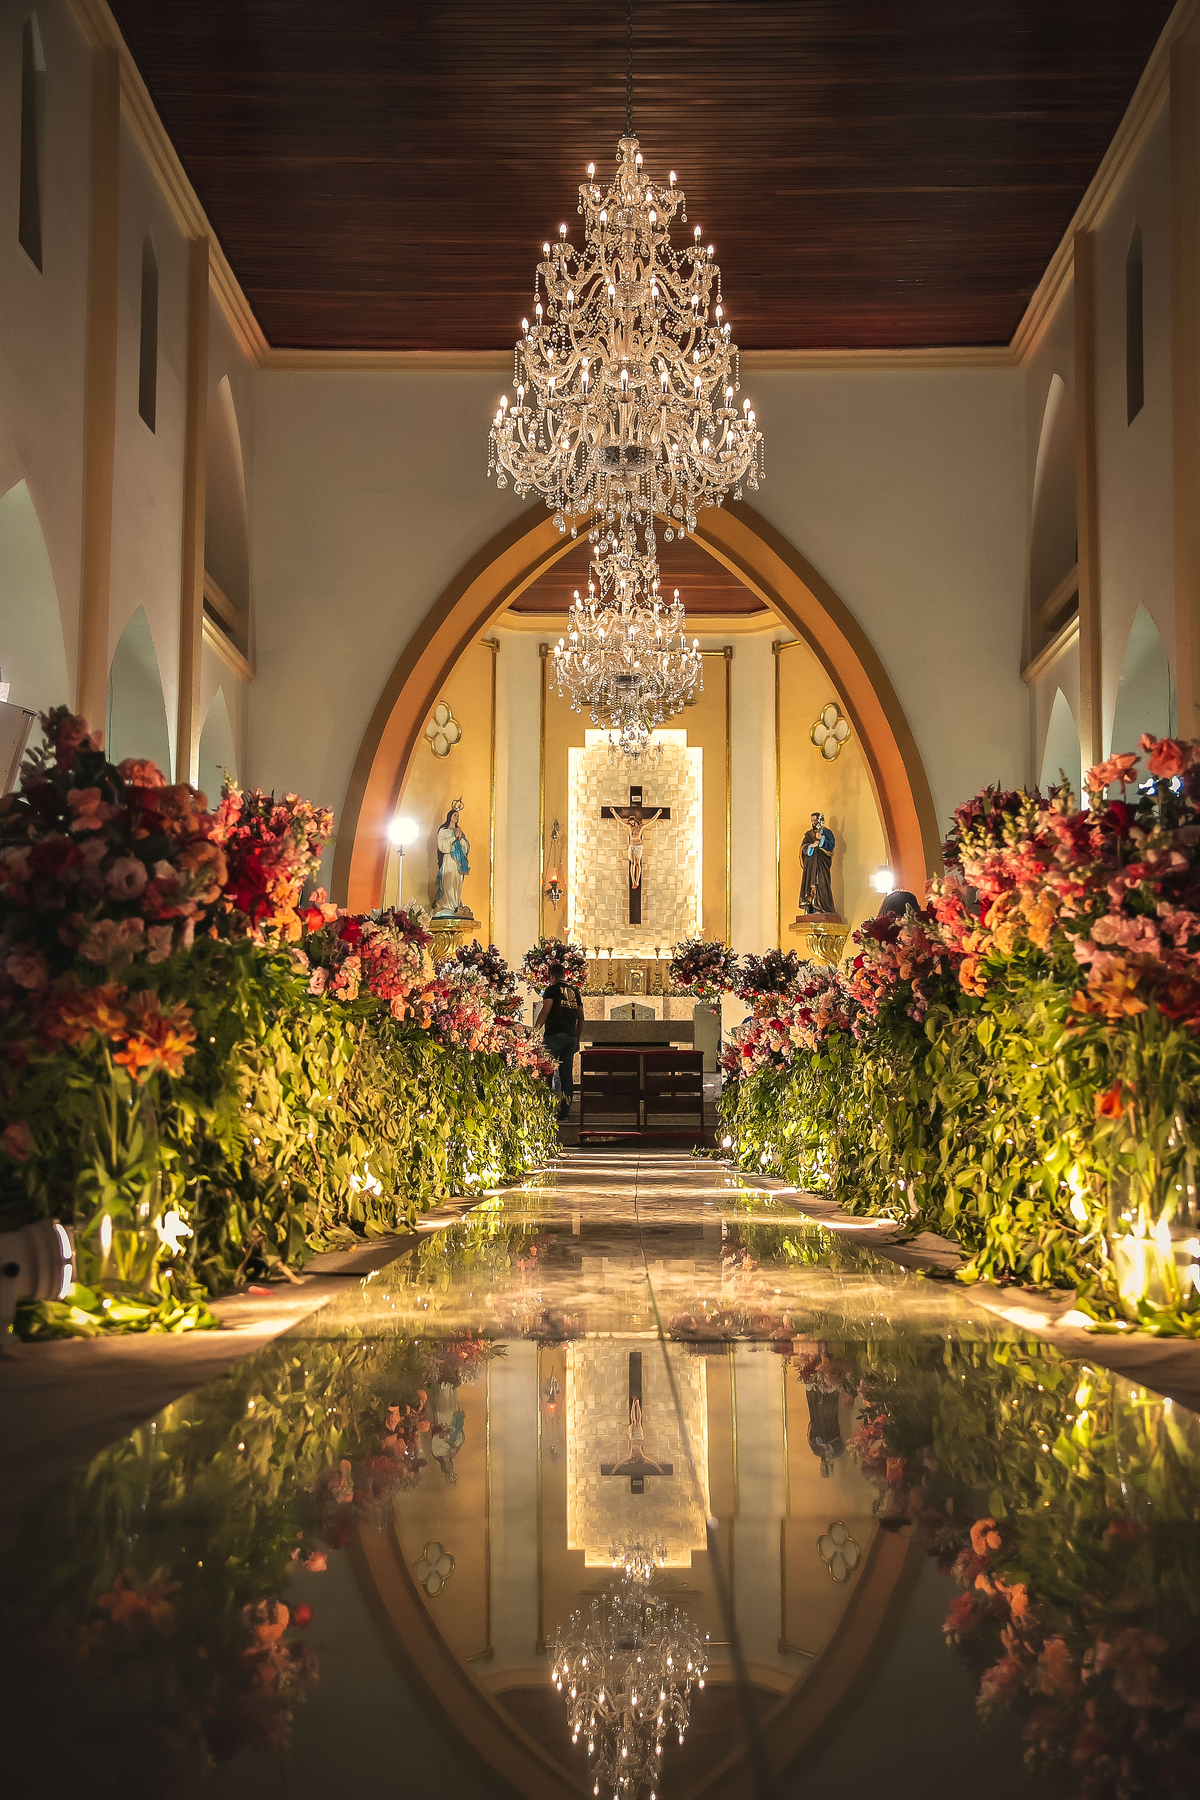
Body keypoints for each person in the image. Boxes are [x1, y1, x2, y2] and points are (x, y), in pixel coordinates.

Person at [535, 960, 583, 1121]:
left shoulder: (552, 989)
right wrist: (578, 1038)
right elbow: (581, 1018)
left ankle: (546, 1108)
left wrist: (536, 1030)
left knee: (546, 1072)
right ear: (564, 975)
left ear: (552, 976)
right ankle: (565, 1110)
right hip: (570, 1037)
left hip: (554, 1035)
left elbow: (546, 1010)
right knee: (566, 1074)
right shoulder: (575, 992)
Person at [433, 801, 470, 916]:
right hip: (449, 859)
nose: (457, 817)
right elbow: (442, 846)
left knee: (456, 883)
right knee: (448, 882)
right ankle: (447, 905)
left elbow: (466, 846)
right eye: (455, 815)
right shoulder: (443, 831)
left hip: (458, 862)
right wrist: (453, 838)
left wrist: (460, 838)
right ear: (450, 816)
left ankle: (456, 904)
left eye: (458, 816)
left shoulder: (459, 831)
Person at [799, 811, 836, 915]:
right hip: (811, 865)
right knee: (810, 884)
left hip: (822, 864)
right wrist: (811, 846)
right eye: (812, 821)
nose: (813, 822)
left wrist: (822, 840)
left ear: (820, 820)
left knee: (822, 884)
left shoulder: (827, 832)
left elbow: (831, 846)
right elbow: (803, 848)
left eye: (815, 820)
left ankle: (821, 908)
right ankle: (810, 908)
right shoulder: (809, 834)